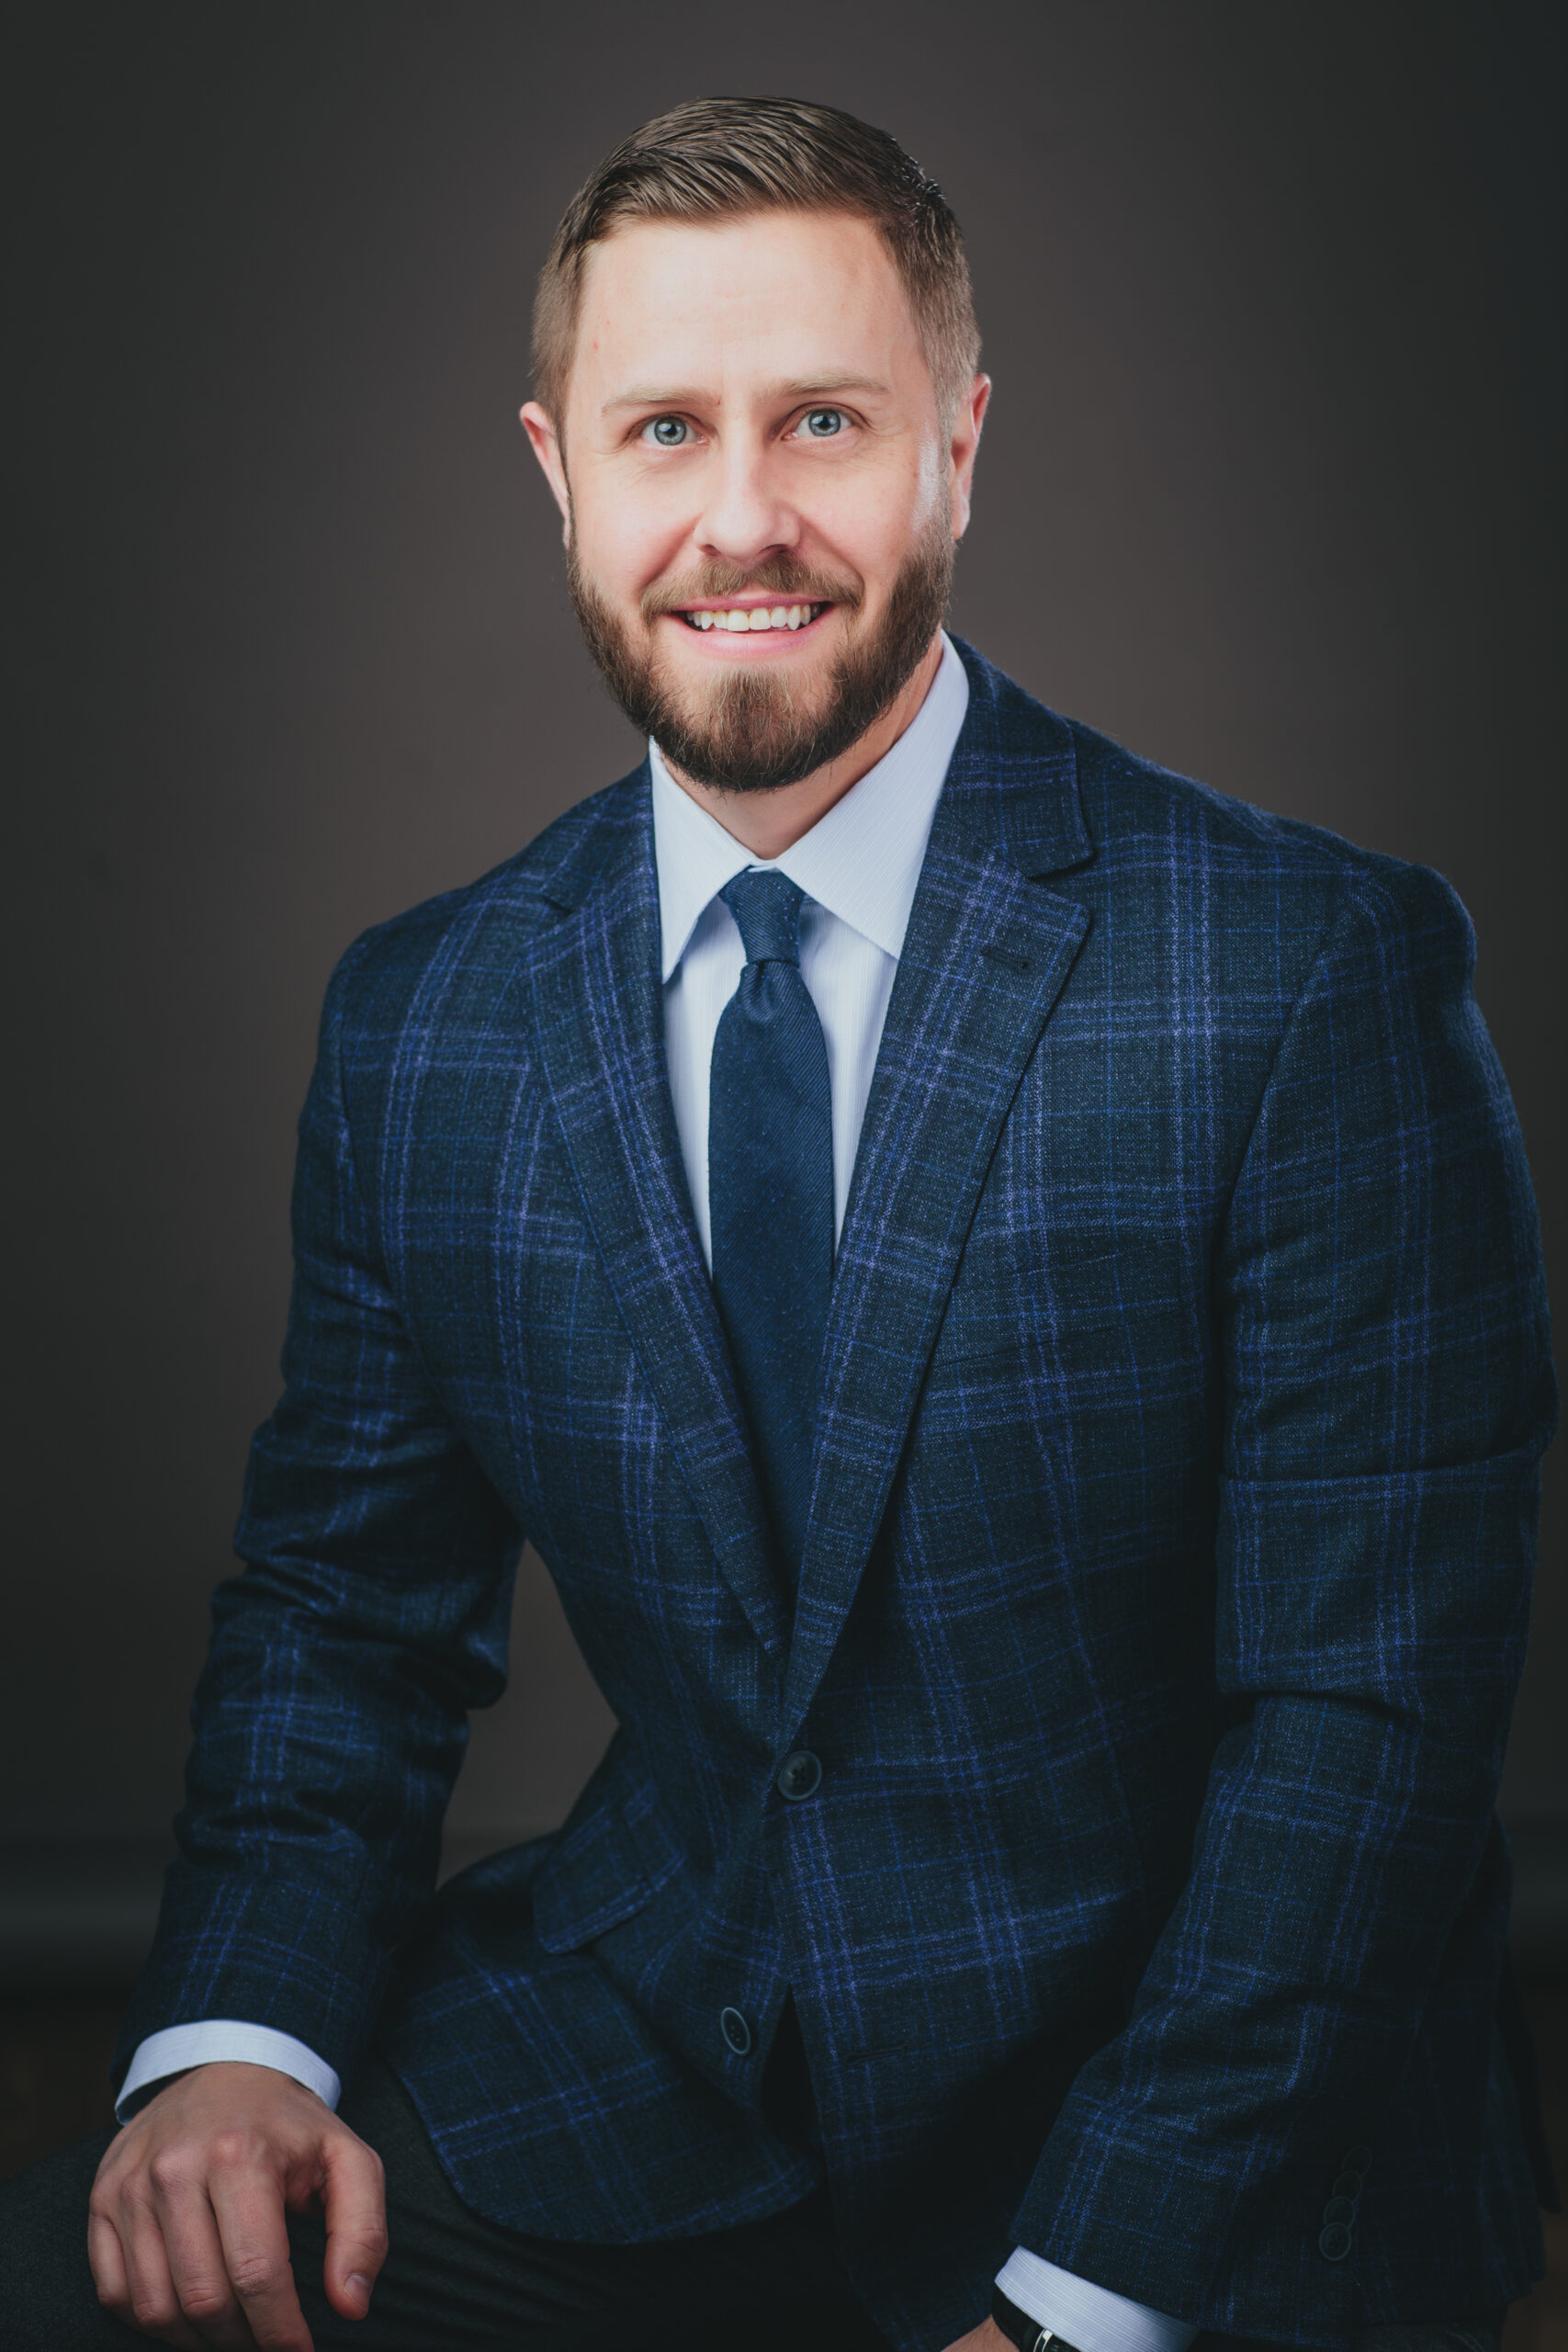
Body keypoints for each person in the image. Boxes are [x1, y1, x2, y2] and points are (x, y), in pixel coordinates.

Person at [4, 94, 1555, 2352]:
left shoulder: (1306, 976)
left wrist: (1075, 2302)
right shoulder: (428, 1016)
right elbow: (345, 1607)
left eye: (821, 419)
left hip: (1205, 2149)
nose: (741, 517)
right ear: (557, 471)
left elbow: (1363, 1735)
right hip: (650, 2073)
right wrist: (234, 2034)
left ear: (957, 443)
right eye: (664, 429)